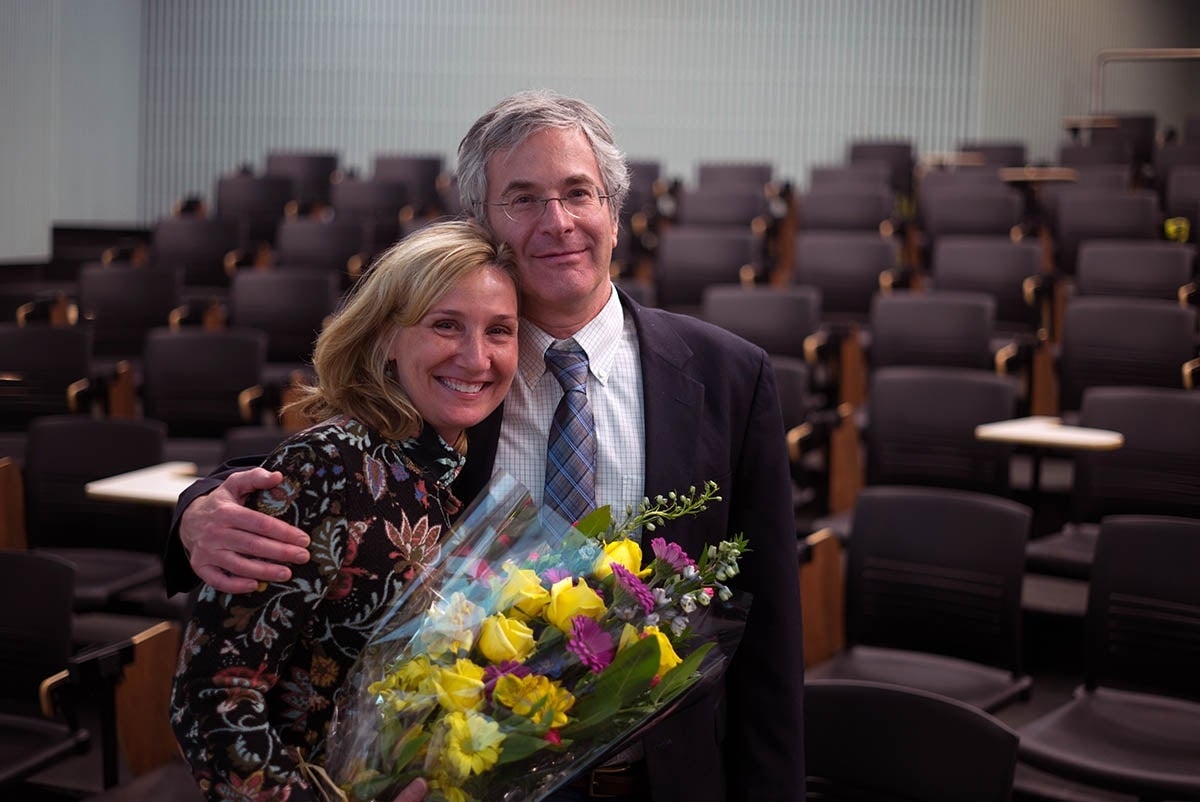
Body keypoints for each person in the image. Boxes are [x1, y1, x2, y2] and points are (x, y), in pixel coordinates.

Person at [166, 90, 805, 802]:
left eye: (578, 193)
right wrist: (197, 507)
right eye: (523, 198)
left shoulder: (729, 375)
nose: (557, 221)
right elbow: (320, 467)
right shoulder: (451, 382)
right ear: (484, 223)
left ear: (615, 214)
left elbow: (769, 634)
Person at [169, 220, 520, 802]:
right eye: (445, 325)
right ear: (386, 338)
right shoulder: (326, 465)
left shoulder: (460, 469)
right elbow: (212, 698)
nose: (476, 356)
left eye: (499, 331)